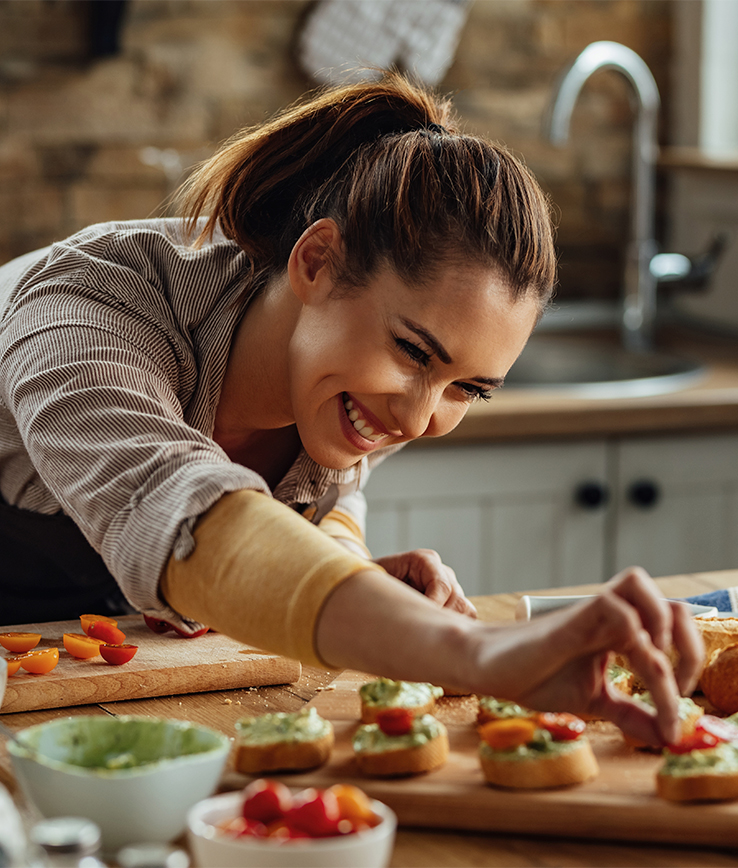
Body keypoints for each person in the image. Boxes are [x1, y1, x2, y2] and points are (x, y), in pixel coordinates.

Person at [0, 73, 702, 746]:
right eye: (415, 353)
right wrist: (475, 651)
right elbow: (179, 511)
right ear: (317, 262)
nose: (418, 417)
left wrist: (354, 572)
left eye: (468, 388)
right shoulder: (88, 307)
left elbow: (326, 503)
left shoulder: (349, 379)